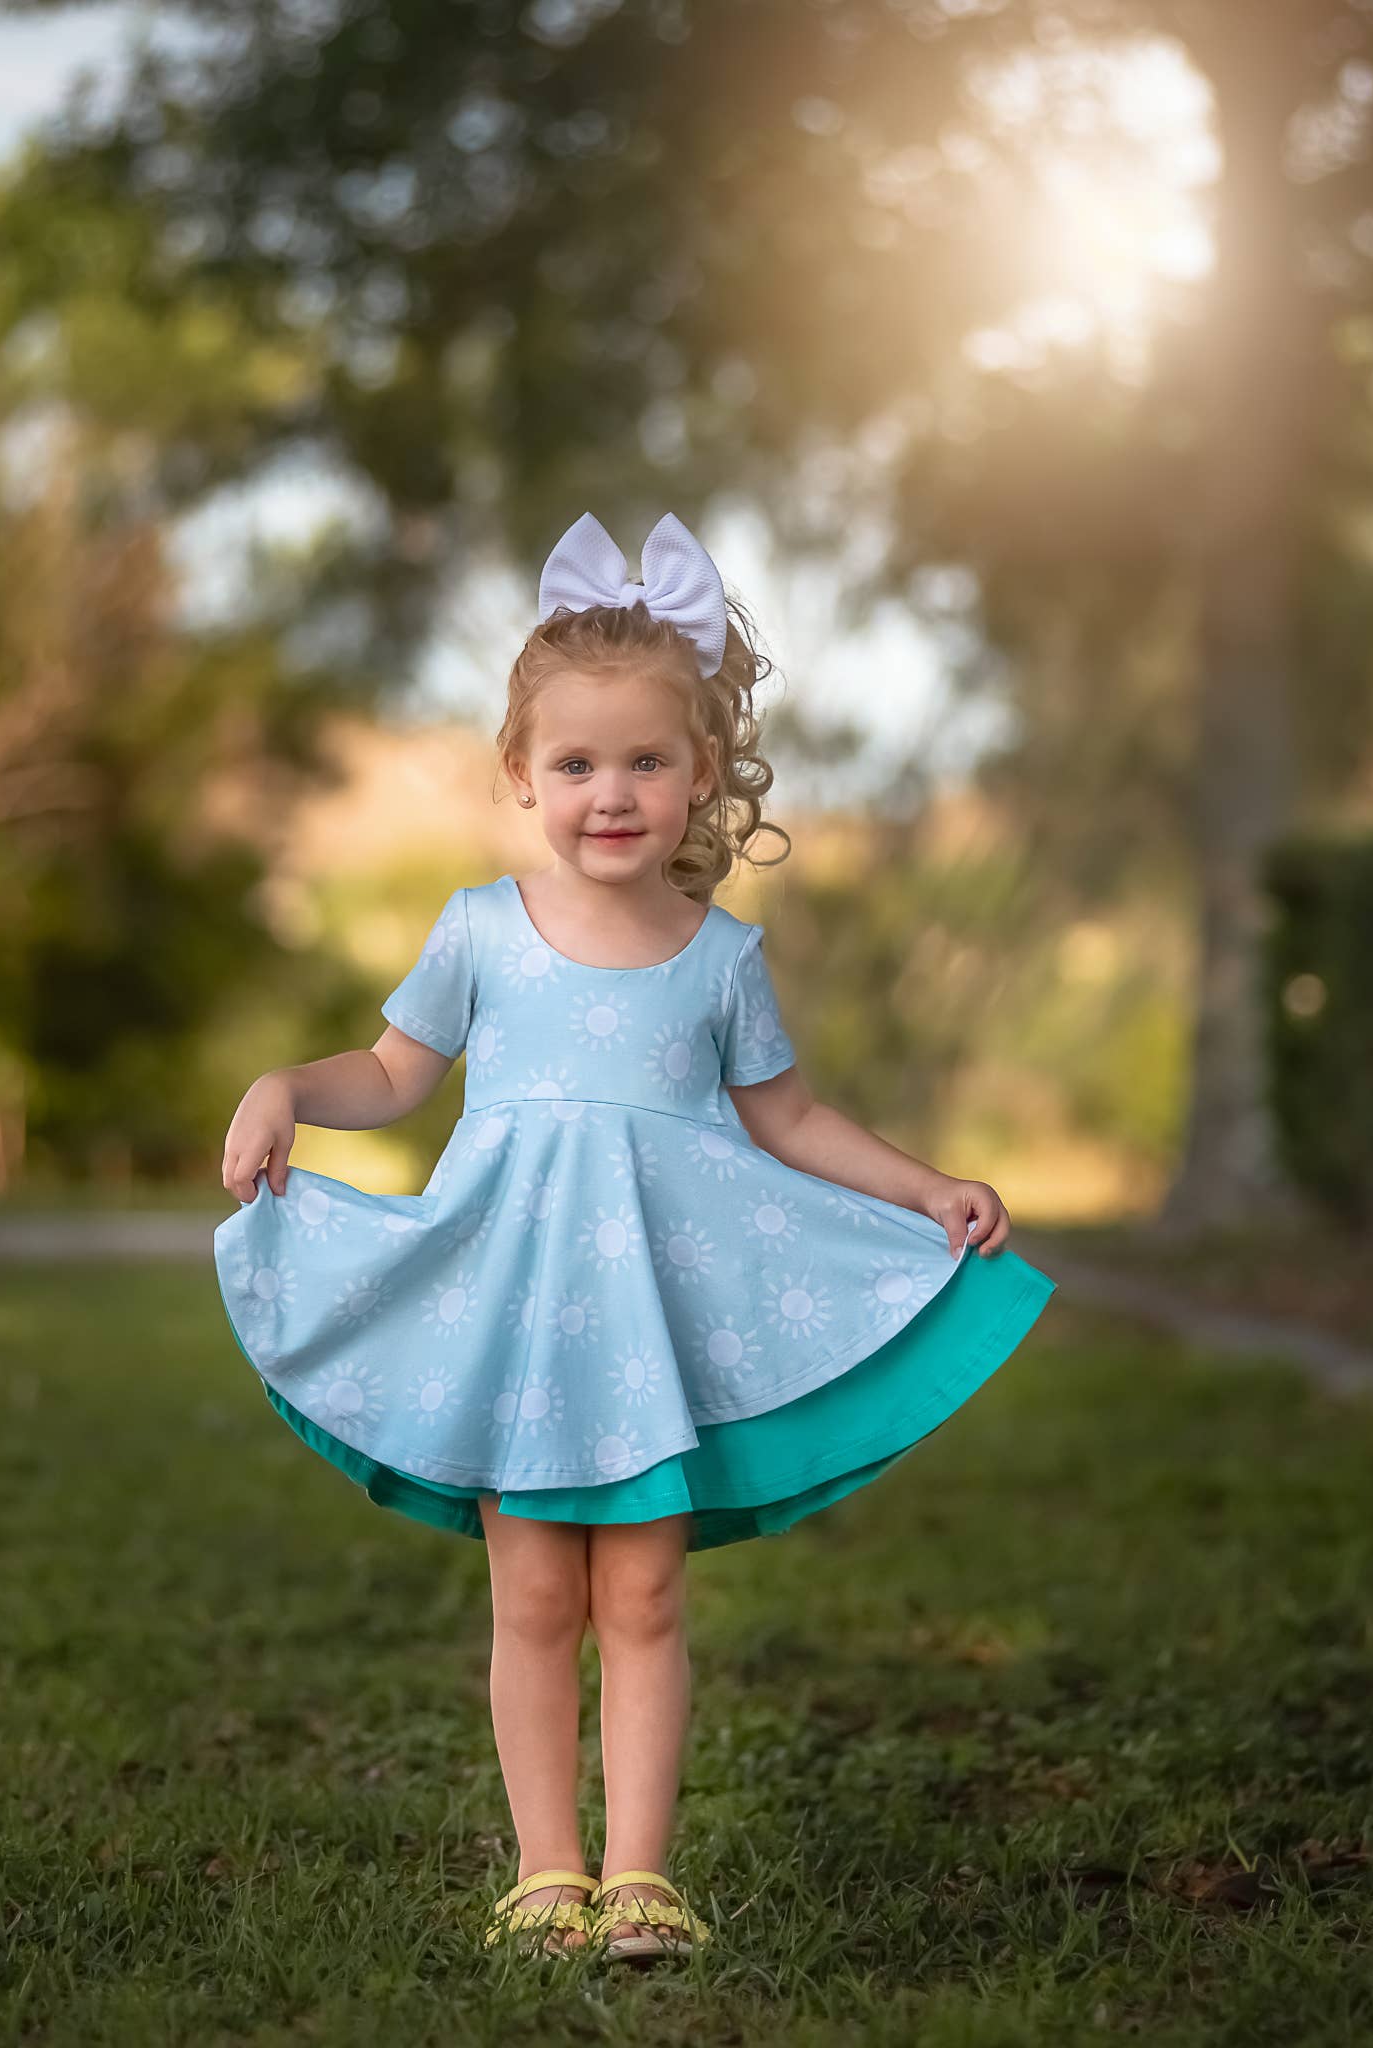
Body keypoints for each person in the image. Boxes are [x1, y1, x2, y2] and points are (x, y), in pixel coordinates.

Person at [215, 510, 1058, 1965]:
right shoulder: (481, 930)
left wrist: (925, 1188)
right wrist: (288, 1088)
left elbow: (790, 1120)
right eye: (576, 765)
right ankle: (548, 1874)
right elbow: (394, 1075)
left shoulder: (721, 956)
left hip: (651, 1330)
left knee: (648, 1596)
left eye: (647, 764)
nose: (611, 794)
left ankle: (642, 1879)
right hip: (520, 1318)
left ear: (703, 772)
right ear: (520, 772)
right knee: (537, 1596)